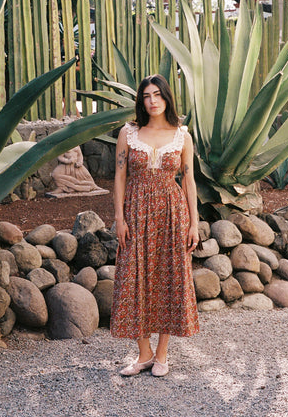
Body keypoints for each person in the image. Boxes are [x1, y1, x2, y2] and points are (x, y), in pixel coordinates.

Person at [111, 74, 199, 377]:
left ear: (166, 97)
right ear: (141, 100)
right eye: (147, 95)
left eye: (158, 94)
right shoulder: (129, 133)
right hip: (135, 212)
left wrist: (194, 224)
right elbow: (120, 178)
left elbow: (188, 180)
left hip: (173, 214)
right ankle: (143, 353)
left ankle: (161, 354)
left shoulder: (181, 135)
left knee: (169, 278)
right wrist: (119, 218)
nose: (152, 101)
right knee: (132, 276)